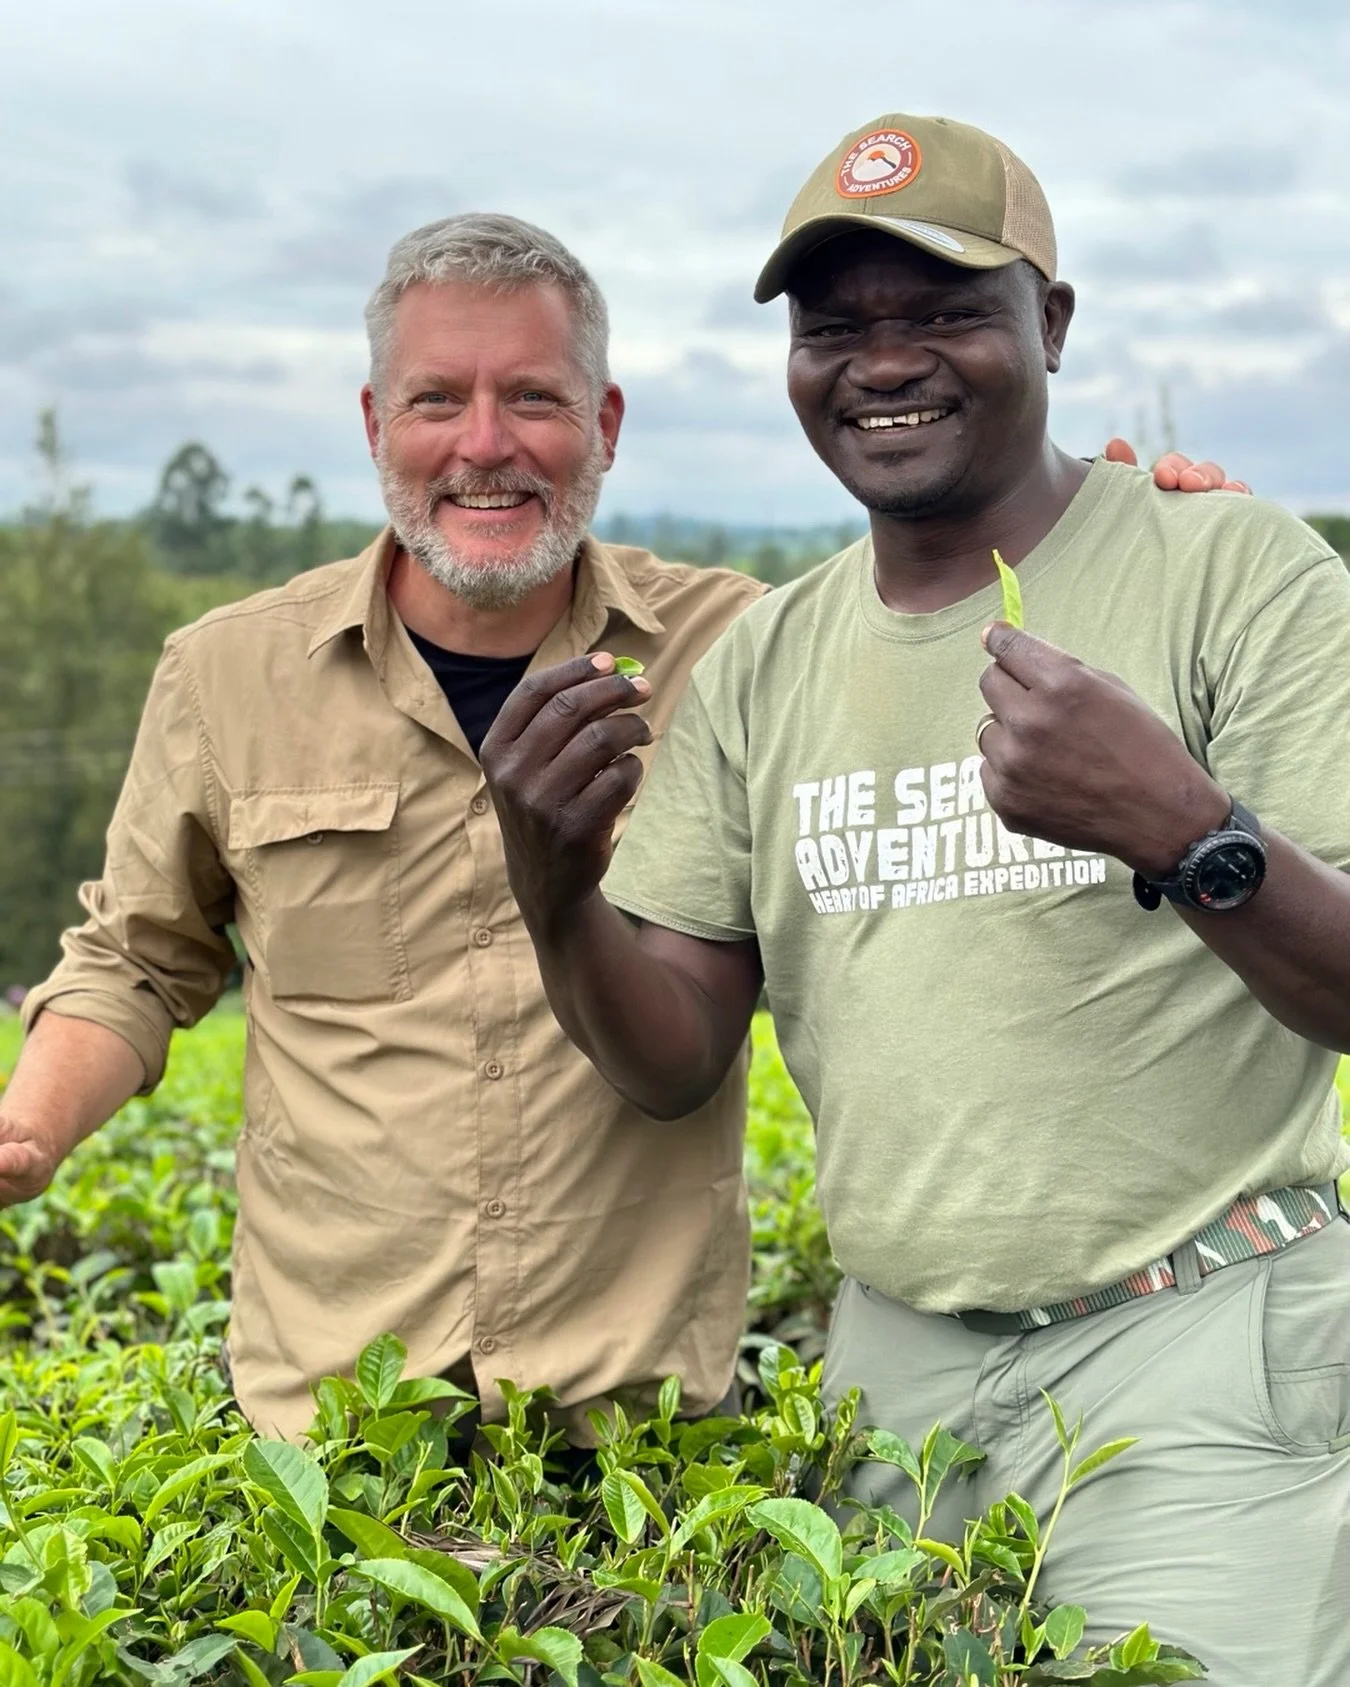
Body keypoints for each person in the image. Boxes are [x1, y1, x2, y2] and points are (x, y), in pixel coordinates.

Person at [0, 211, 1234, 1450]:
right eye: (438, 401)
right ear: (378, 425)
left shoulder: (752, 653)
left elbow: (974, 628)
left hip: (646, 1446)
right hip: (329, 1442)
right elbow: (137, 961)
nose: (485, 447)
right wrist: (32, 1130)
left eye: (534, 397)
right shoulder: (227, 675)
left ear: (606, 424)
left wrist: (1147, 538)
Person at [480, 116, 1350, 1683]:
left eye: (944, 310)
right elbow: (673, 1051)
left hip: (1200, 1344)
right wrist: (552, 890)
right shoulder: (763, 659)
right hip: (892, 1382)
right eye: (835, 327)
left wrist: (1181, 825)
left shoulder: (1239, 572)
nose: (883, 363)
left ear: (1053, 327)